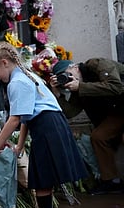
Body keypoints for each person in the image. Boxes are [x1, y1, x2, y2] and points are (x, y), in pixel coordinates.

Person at [0, 42, 88, 208]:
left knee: (42, 178)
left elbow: (15, 119)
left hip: (47, 126)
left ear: (5, 63)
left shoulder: (17, 82)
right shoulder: (27, 77)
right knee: (42, 178)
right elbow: (26, 117)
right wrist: (20, 146)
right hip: (50, 124)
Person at [49, 58, 124, 195]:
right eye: (63, 77)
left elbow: (117, 87)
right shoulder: (75, 87)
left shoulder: (97, 64)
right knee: (98, 137)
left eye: (67, 74)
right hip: (117, 112)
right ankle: (112, 181)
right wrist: (57, 94)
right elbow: (70, 112)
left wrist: (80, 87)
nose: (67, 79)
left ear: (75, 67)